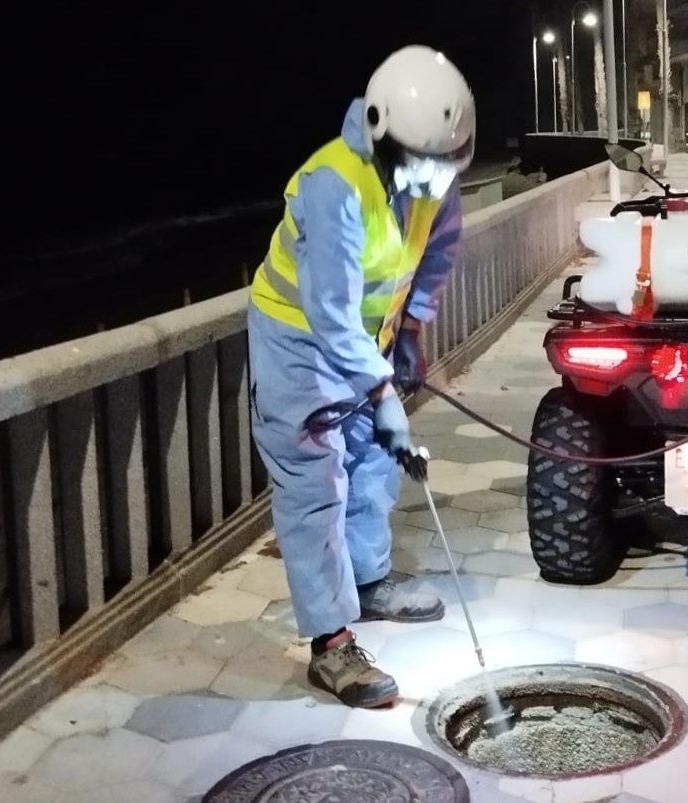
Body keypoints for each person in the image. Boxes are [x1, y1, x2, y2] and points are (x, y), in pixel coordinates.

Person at [247, 45, 475, 709]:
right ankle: (331, 642)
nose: (436, 181)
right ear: (382, 136)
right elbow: (328, 309)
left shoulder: (434, 166)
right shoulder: (335, 184)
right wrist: (381, 392)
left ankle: (368, 580)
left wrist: (412, 330)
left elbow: (437, 252)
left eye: (447, 165)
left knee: (372, 458)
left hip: (368, 339)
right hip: (297, 340)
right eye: (424, 165)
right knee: (315, 480)